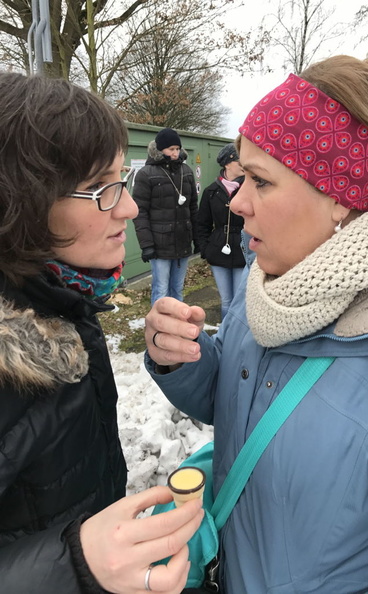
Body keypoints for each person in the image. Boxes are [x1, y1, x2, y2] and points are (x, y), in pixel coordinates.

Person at [143, 55, 368, 593]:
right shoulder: (272, 279)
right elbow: (243, 404)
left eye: (261, 181)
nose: (239, 205)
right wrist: (184, 358)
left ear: (342, 199)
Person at [0, 72, 204, 594]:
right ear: (17, 203)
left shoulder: (66, 300)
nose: (129, 208)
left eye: (121, 179)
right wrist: (72, 567)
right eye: (98, 189)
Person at [132, 127, 199, 306]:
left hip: (183, 241)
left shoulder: (187, 171)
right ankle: (159, 328)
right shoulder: (146, 174)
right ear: (161, 149)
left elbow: (193, 207)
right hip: (159, 244)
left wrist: (198, 239)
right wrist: (146, 245)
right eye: (171, 149)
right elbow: (140, 212)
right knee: (161, 289)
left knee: (177, 288)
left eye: (178, 149)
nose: (175, 153)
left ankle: (177, 326)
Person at [197, 143, 245, 320]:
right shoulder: (211, 191)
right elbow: (202, 223)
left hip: (243, 250)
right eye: (239, 159)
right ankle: (225, 337)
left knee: (241, 300)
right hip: (218, 250)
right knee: (226, 300)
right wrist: (205, 249)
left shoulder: (250, 190)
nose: (243, 163)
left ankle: (238, 337)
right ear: (227, 163)